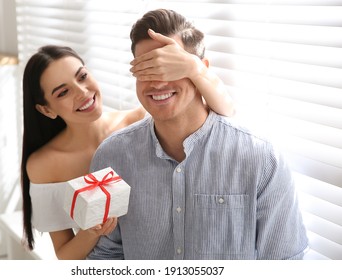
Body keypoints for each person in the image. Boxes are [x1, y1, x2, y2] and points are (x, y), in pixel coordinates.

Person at [87, 9, 309, 260]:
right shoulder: (111, 157)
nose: (158, 82)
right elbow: (106, 255)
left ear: (200, 69)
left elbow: (284, 263)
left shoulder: (261, 159)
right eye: (146, 69)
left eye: (170, 67)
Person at [21, 36, 235, 258]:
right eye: (63, 92)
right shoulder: (45, 164)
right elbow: (65, 256)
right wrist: (93, 231)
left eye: (82, 77)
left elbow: (225, 115)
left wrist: (194, 68)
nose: (82, 92)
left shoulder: (140, 121)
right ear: (46, 110)